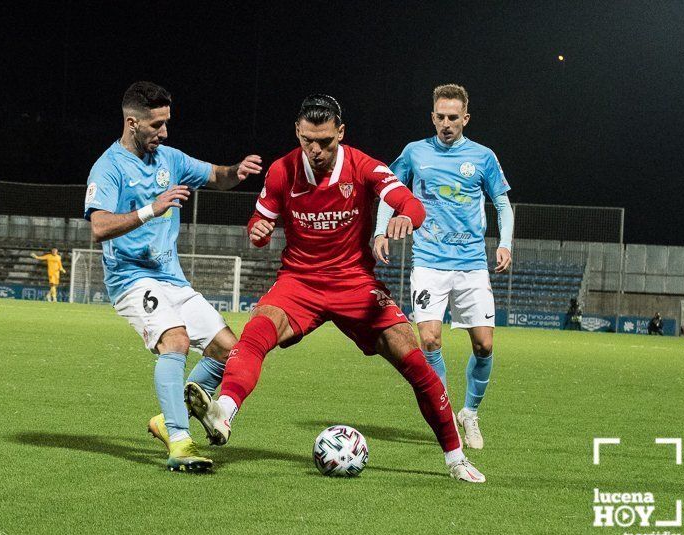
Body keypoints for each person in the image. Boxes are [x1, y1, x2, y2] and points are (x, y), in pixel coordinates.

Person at [185, 94, 486, 483]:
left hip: (355, 284)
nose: (315, 150)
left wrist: (406, 219)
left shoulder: (364, 167)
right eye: (308, 140)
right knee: (257, 330)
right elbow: (258, 225)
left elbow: (412, 204)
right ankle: (223, 413)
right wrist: (257, 233)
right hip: (300, 282)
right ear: (298, 132)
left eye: (325, 142)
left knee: (415, 362)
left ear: (340, 133)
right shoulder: (282, 171)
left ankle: (455, 458)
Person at [84, 81, 262, 473]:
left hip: (172, 278)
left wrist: (239, 170)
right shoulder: (108, 168)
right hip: (131, 278)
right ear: (132, 123)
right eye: (156, 125)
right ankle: (180, 442)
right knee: (176, 341)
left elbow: (217, 175)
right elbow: (98, 226)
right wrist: (152, 208)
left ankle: (170, 416)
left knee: (229, 350)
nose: (164, 133)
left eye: (166, 124)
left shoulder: (170, 158)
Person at [371, 84, 514, 450]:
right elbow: (388, 189)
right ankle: (444, 410)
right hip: (430, 262)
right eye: (440, 117)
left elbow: (502, 203)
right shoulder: (415, 152)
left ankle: (470, 412)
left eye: (453, 117)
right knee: (430, 339)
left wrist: (505, 243)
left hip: (471, 266)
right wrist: (380, 232)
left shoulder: (482, 157)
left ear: (465, 118)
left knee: (483, 346)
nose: (446, 123)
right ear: (432, 117)